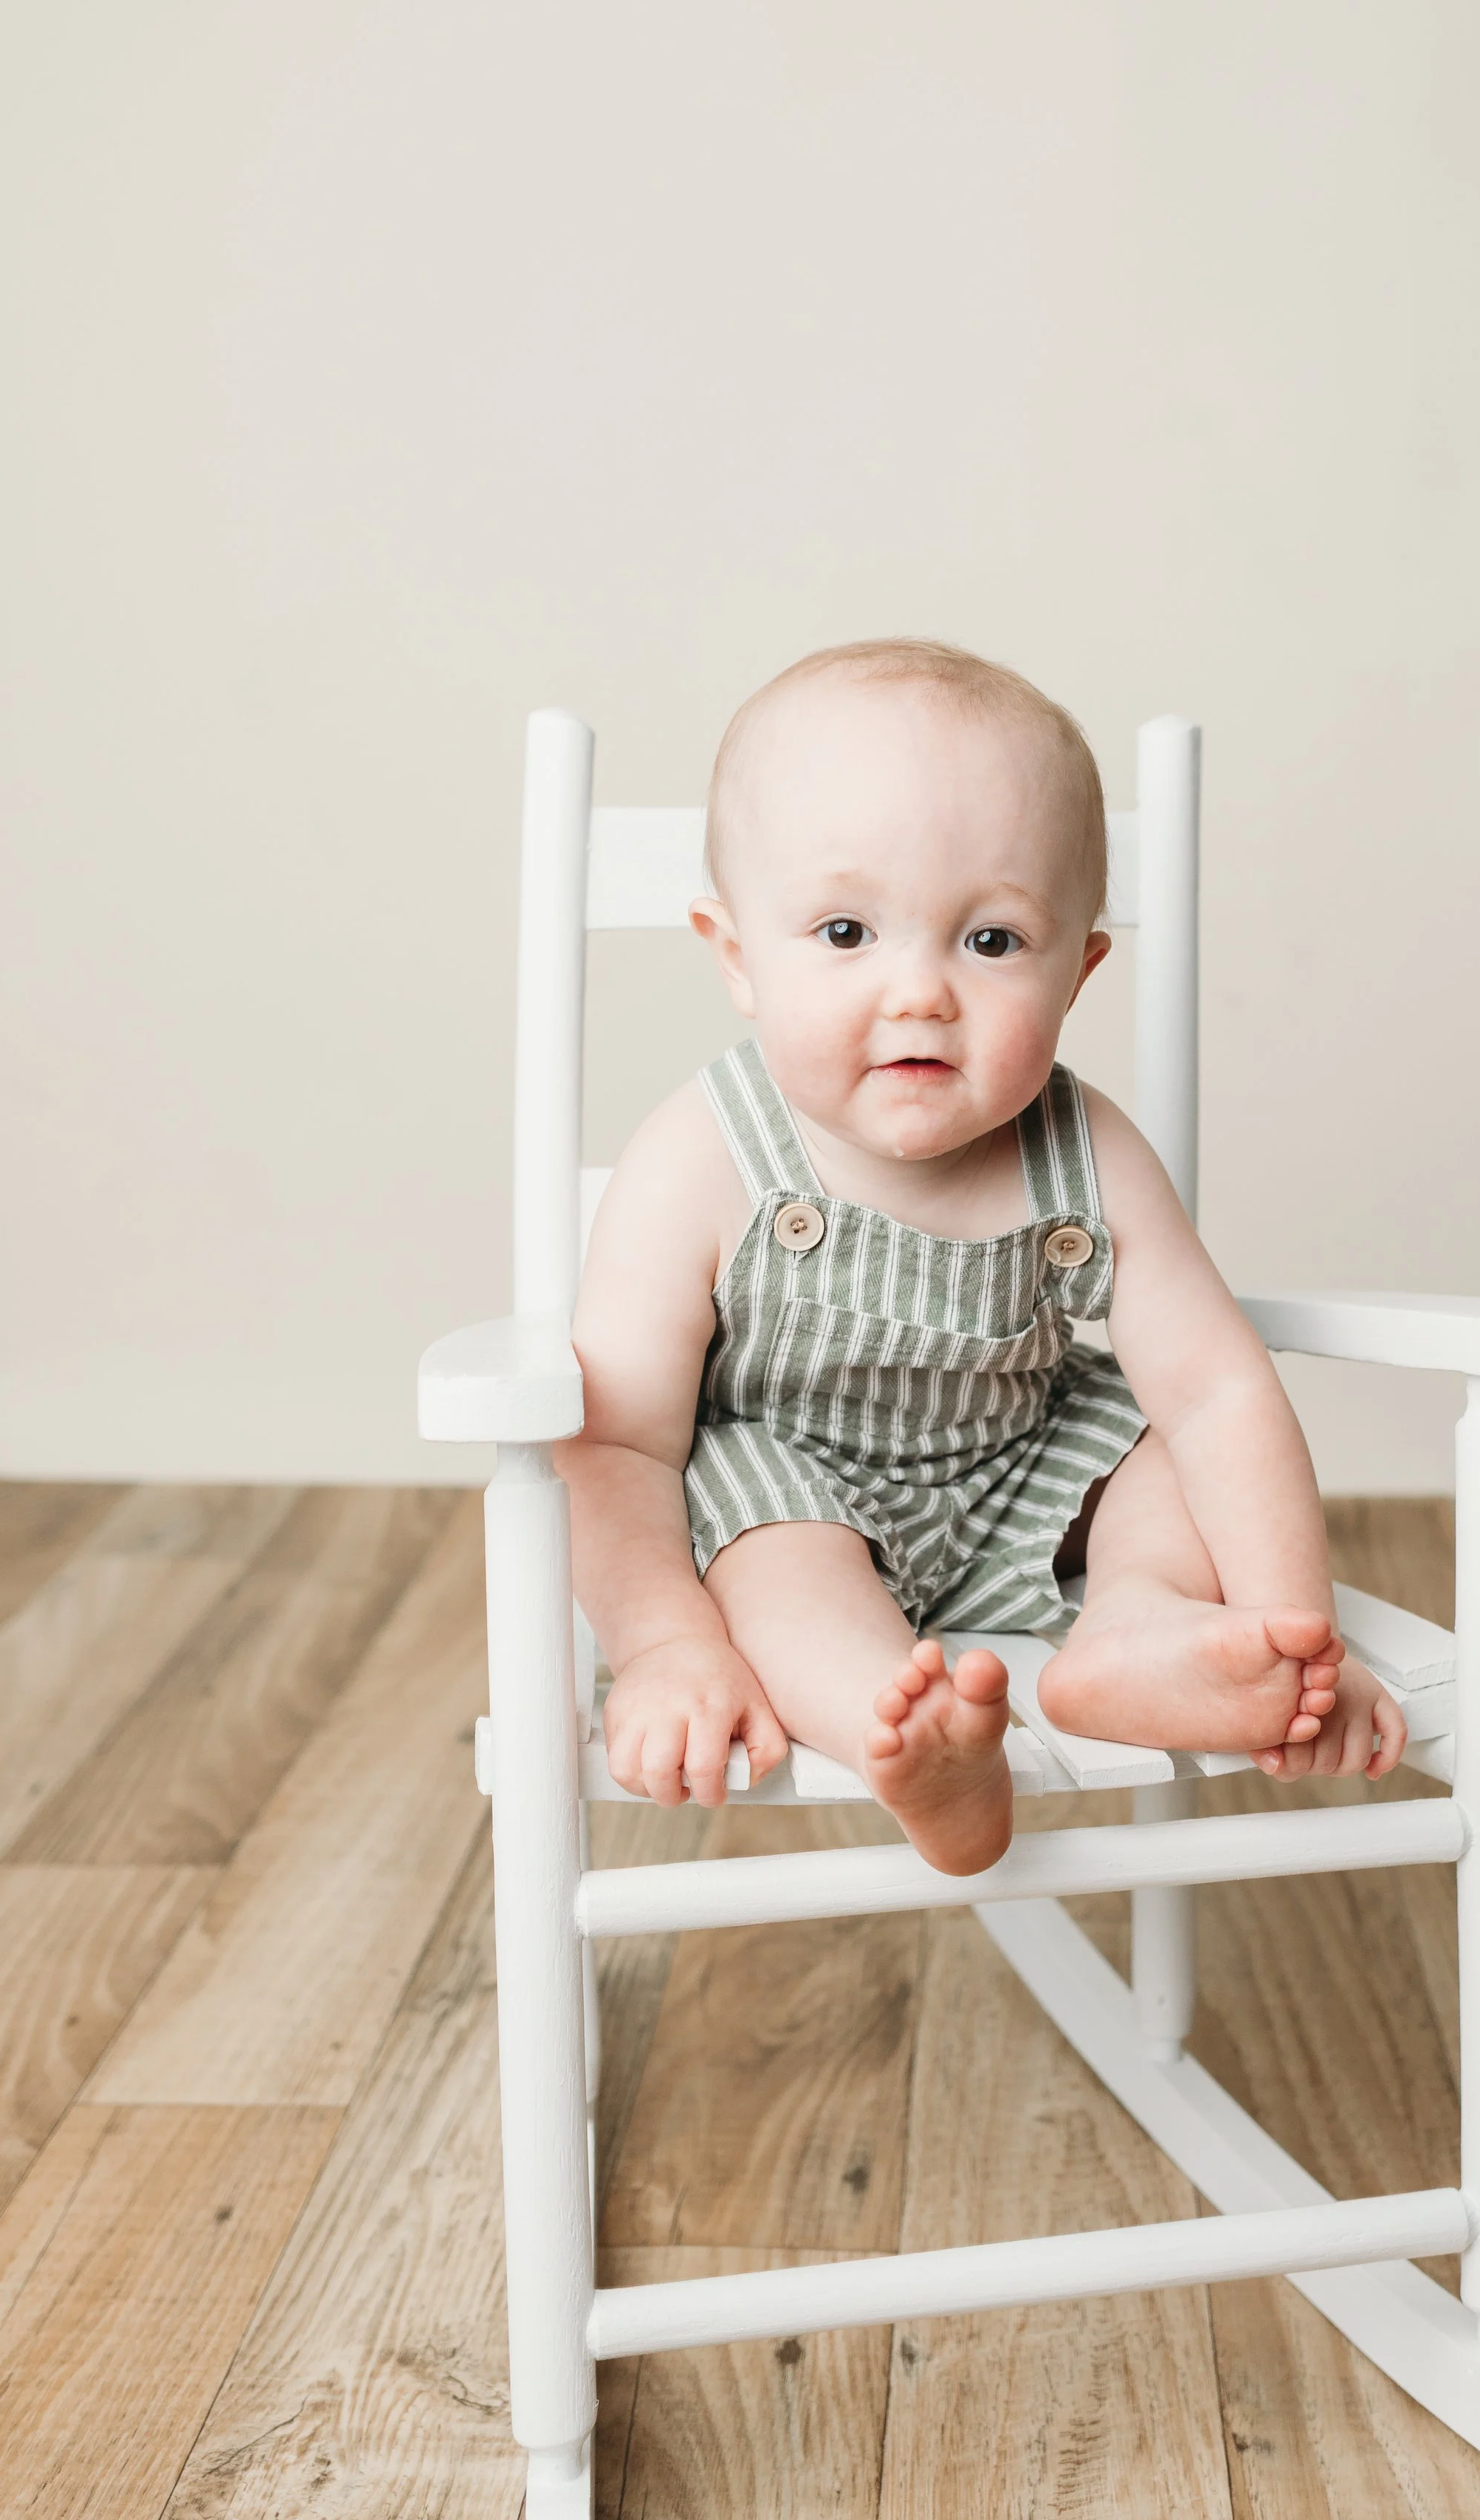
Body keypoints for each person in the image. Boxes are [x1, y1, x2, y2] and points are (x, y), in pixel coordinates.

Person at [557, 639, 1405, 1875]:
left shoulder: (1089, 1147)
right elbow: (620, 1442)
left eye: (994, 943)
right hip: (806, 1494)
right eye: (845, 930)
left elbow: (1218, 1390)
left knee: (1168, 1445)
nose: (920, 992)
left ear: (1079, 970)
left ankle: (1136, 1629)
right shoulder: (702, 1155)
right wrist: (665, 1649)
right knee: (768, 1556)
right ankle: (918, 1747)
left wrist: (1301, 1639)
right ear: (738, 956)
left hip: (1030, 1477)